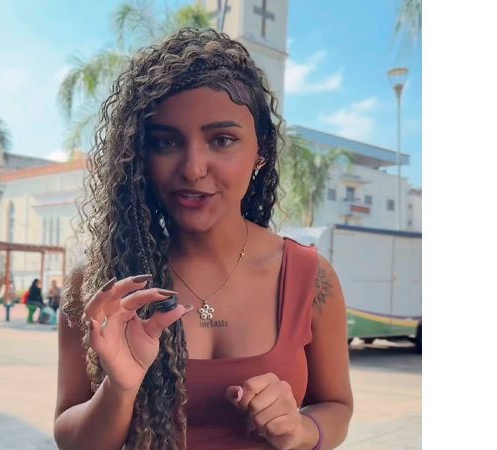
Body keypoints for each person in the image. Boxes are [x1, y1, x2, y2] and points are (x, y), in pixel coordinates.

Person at [54, 28, 353, 450]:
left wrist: (302, 429)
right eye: (166, 142)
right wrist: (118, 389)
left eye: (222, 140)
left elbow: (337, 405)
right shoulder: (100, 285)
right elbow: (72, 439)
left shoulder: (310, 277)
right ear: (139, 155)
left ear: (260, 152)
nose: (193, 168)